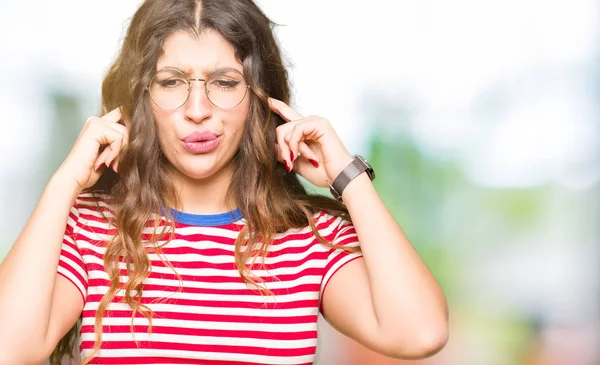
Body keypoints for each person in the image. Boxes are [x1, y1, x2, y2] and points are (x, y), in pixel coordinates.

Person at [0, 0, 448, 364]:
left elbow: (420, 333)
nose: (198, 108)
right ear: (139, 101)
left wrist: (347, 175)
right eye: (172, 81)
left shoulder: (310, 239)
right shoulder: (89, 230)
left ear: (258, 100)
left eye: (225, 82)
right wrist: (64, 184)